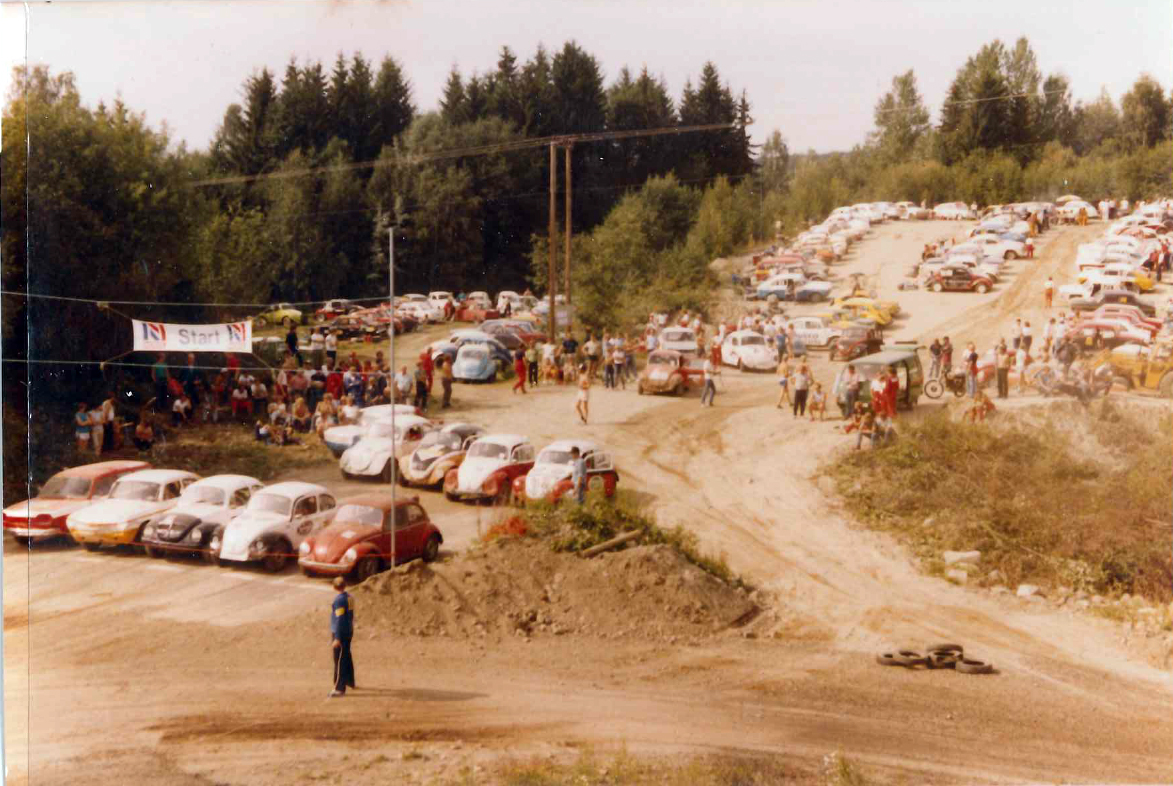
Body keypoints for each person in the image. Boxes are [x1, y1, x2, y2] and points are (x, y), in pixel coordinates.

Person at [328, 576, 355, 698]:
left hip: (341, 632)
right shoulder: (349, 597)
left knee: (339, 660)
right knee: (346, 656)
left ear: (334, 587)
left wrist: (337, 637)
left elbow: (339, 619)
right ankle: (349, 680)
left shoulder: (339, 600)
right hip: (348, 630)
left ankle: (339, 687)